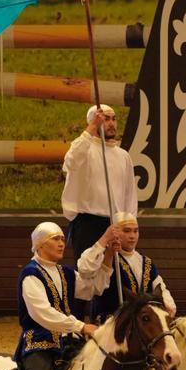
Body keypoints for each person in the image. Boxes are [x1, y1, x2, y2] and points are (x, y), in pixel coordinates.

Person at [14, 221, 111, 370]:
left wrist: (108, 256)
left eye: (61, 239)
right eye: (55, 239)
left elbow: (91, 289)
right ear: (39, 244)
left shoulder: (66, 273)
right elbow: (42, 313)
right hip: (39, 342)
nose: (61, 243)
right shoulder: (30, 275)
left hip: (68, 342)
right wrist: (81, 326)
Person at [61, 103, 138, 263]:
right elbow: (70, 162)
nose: (111, 123)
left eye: (114, 119)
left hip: (115, 224)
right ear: (93, 122)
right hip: (88, 223)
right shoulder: (84, 149)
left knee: (114, 278)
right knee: (88, 274)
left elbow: (129, 194)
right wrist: (93, 126)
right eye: (106, 119)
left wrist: (128, 224)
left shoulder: (123, 156)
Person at [78, 212, 176, 322]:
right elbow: (84, 268)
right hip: (110, 325)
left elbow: (160, 287)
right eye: (127, 231)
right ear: (114, 232)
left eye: (136, 231)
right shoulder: (104, 256)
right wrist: (105, 239)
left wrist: (168, 304)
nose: (132, 236)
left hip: (139, 328)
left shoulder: (146, 262)